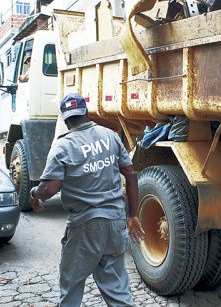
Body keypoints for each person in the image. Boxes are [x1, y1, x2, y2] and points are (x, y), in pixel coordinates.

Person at [29, 93, 144, 306]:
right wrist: (133, 215)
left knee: (71, 287)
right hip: (115, 223)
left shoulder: (63, 146)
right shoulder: (110, 136)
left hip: (85, 226)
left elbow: (50, 189)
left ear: (65, 119)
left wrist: (35, 195)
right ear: (86, 112)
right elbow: (130, 175)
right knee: (118, 289)